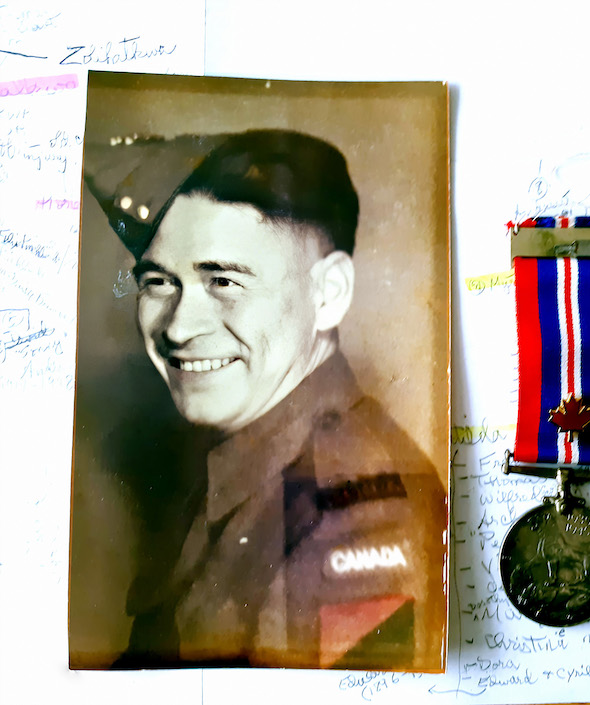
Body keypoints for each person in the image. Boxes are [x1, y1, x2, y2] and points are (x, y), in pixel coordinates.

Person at [79, 130, 447, 670]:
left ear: (329, 294)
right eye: (159, 281)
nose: (178, 327)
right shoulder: (243, 456)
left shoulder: (355, 518)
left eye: (224, 281)